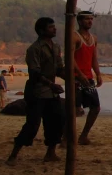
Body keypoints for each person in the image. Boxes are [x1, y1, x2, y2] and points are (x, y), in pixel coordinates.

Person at [7, 17, 66, 165]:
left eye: (54, 26)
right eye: (51, 27)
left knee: (56, 121)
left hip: (51, 92)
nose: (55, 29)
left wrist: (73, 78)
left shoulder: (56, 47)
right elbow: (35, 73)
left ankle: (50, 153)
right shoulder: (34, 49)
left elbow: (59, 69)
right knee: (32, 124)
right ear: (41, 31)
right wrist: (51, 84)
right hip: (37, 91)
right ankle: (13, 154)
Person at [72, 11, 103, 145]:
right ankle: (66, 137)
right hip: (75, 78)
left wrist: (98, 74)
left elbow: (93, 58)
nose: (90, 21)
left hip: (88, 78)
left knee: (95, 108)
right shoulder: (74, 36)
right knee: (74, 110)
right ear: (79, 21)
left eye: (91, 19)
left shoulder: (93, 38)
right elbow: (69, 58)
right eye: (87, 19)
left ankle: (83, 135)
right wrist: (79, 74)